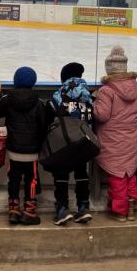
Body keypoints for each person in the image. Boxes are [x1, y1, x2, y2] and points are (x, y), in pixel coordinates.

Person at [0, 67, 49, 225]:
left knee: (14, 179)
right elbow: (44, 126)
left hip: (13, 149)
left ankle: (14, 211)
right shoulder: (39, 103)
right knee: (32, 180)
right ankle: (29, 212)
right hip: (32, 152)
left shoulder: (7, 99)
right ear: (33, 82)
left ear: (15, 81)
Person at [93, 46, 137, 223]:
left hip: (112, 139)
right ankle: (130, 208)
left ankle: (120, 211)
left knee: (118, 176)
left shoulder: (106, 91)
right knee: (129, 173)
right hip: (131, 139)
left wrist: (95, 104)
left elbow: (102, 115)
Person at [48, 61, 95, 226]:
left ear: (64, 79)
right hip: (84, 141)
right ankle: (83, 207)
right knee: (82, 173)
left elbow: (49, 116)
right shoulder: (89, 97)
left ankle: (62, 209)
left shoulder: (57, 96)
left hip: (63, 142)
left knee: (61, 173)